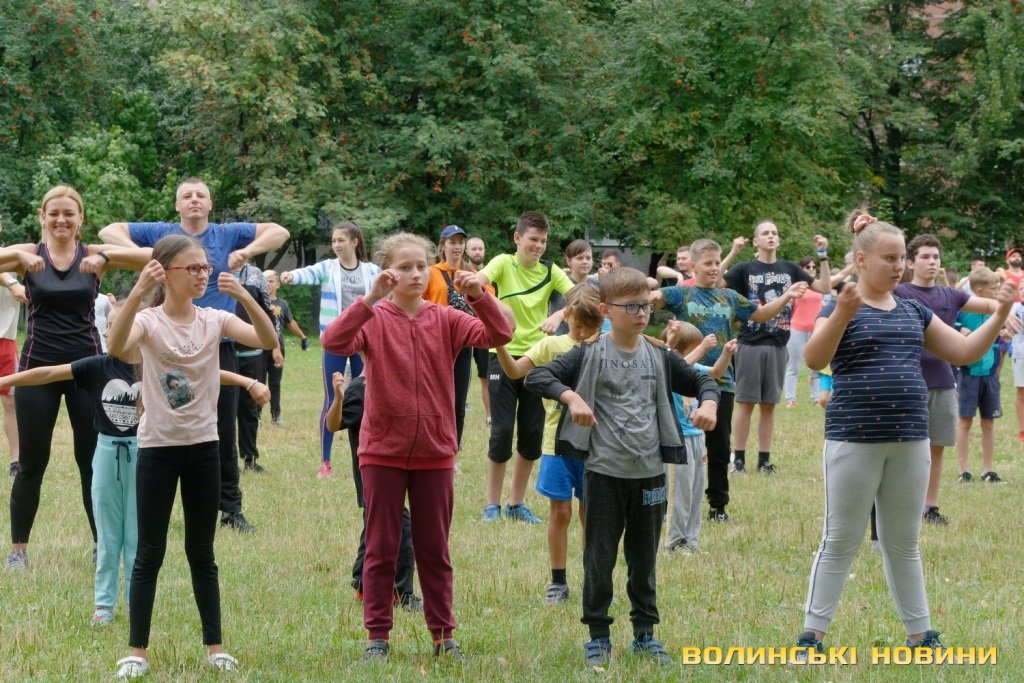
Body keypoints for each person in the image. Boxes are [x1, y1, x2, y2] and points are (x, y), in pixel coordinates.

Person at [791, 210, 1015, 661]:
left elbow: (964, 350)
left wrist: (1001, 313)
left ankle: (920, 634)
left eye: (901, 259)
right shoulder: (841, 307)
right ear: (861, 259)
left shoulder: (914, 310)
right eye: (889, 258)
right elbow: (814, 359)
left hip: (911, 439)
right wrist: (843, 312)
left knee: (903, 542)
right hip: (853, 438)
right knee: (841, 539)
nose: (898, 267)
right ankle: (811, 636)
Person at [321, 232, 513, 663]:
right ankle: (377, 637)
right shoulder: (374, 318)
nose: (414, 274)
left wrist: (479, 296)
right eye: (403, 267)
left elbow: (500, 332)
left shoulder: (446, 318)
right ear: (386, 271)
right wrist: (370, 298)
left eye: (420, 266)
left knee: (434, 551)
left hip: (435, 452)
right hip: (381, 452)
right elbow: (333, 341)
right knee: (381, 549)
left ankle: (444, 637)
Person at [525, 267, 721, 668]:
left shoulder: (660, 355)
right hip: (603, 474)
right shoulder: (589, 353)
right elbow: (537, 376)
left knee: (644, 559)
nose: (641, 313)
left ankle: (645, 634)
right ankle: (598, 636)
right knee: (599, 557)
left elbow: (705, 383)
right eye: (631, 306)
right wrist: (571, 398)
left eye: (646, 306)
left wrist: (709, 405)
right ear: (606, 310)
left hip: (649, 475)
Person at [106, 234, 277, 679]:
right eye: (193, 268)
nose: (203, 275)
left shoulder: (214, 319)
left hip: (204, 448)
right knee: (149, 553)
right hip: (157, 450)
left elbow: (265, 338)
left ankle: (215, 648)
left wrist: (244, 296)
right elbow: (117, 347)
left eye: (206, 268)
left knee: (202, 553)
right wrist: (138, 291)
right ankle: (137, 652)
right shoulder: (148, 321)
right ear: (166, 274)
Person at [99, 177, 289, 533]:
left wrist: (248, 252)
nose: (194, 200)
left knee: (221, 430)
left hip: (217, 343)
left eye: (201, 195)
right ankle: (159, 499)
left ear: (211, 203)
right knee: (170, 417)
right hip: (167, 344)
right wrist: (148, 257)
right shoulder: (162, 233)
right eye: (186, 195)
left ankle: (229, 508)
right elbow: (109, 231)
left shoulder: (226, 234)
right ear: (177, 205)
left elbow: (279, 231)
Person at [6, 185, 148, 571]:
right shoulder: (29, 254)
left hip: (89, 372)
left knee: (93, 462)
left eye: (69, 213)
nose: (61, 220)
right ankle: (18, 551)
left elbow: (155, 256)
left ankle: (102, 545)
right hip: (37, 371)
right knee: (32, 464)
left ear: (81, 218)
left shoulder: (93, 256)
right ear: (42, 216)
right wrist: (16, 258)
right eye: (53, 213)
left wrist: (107, 256)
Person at [652, 238, 807, 522]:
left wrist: (787, 296)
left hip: (720, 381)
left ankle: (717, 506)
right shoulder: (682, 294)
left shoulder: (730, 297)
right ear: (693, 266)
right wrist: (648, 290)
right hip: (682, 379)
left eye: (717, 262)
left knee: (719, 448)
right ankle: (659, 506)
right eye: (708, 263)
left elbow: (761, 314)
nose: (714, 268)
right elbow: (654, 298)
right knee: (671, 442)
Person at [494, 283, 603, 606]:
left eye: (590, 327)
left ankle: (594, 579)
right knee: (561, 512)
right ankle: (558, 581)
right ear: (566, 316)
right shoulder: (551, 345)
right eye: (578, 325)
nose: (582, 334)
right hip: (557, 445)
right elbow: (515, 371)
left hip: (596, 445)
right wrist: (500, 343)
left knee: (591, 514)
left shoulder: (607, 346)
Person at [472, 211, 575, 524]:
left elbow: (580, 296)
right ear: (517, 238)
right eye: (533, 239)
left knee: (531, 434)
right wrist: (499, 306)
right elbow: (476, 285)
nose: (538, 246)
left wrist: (559, 315)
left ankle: (516, 504)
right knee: (502, 431)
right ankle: (492, 504)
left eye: (543, 241)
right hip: (501, 355)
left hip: (538, 360)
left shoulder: (550, 271)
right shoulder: (503, 263)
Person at [894, 234, 998, 524]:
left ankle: (930, 507)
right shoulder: (899, 292)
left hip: (942, 380)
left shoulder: (950, 295)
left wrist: (1003, 309)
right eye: (925, 257)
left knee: (936, 447)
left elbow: (988, 306)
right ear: (910, 263)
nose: (932, 262)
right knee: (904, 447)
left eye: (936, 257)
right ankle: (902, 506)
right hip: (908, 380)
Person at [724, 220, 832, 475]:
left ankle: (764, 461)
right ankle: (739, 460)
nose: (771, 236)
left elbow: (824, 287)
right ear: (756, 241)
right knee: (746, 403)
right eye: (765, 233)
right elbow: (717, 281)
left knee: (769, 405)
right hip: (750, 342)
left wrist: (823, 255)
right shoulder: (745, 269)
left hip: (778, 344)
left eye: (774, 233)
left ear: (779, 240)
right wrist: (732, 252)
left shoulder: (789, 268)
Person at [280, 221, 380, 478]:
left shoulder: (371, 271)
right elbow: (309, 273)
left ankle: (365, 454)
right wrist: (291, 276)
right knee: (332, 399)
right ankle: (325, 461)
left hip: (364, 341)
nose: (336, 245)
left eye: (341, 240)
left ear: (355, 242)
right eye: (333, 241)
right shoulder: (328, 268)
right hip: (335, 340)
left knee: (365, 396)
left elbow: (385, 295)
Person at [324, 372, 422, 612]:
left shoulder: (394, 383)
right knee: (401, 526)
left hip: (391, 470)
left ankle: (362, 585)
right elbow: (333, 424)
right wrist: (339, 398)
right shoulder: (360, 389)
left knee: (374, 526)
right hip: (371, 474)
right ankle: (400, 593)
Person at [661, 322, 736, 555]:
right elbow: (677, 366)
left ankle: (690, 541)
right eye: (694, 347)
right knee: (680, 494)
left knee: (695, 493)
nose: (699, 351)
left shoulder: (694, 369)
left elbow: (716, 373)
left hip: (696, 438)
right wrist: (702, 347)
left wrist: (726, 354)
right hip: (678, 440)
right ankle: (674, 542)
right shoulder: (669, 368)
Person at [423, 224, 477, 449]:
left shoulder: (472, 274)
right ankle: (432, 444)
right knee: (433, 397)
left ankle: (453, 450)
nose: (457, 247)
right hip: (436, 342)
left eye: (460, 242)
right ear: (442, 246)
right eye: (452, 242)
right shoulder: (430, 273)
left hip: (463, 342)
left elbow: (488, 300)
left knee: (458, 400)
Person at [955, 268, 1007, 484]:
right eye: (994, 288)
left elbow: (1002, 336)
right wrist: (960, 330)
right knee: (965, 422)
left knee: (989, 422)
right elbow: (948, 323)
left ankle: (988, 470)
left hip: (990, 374)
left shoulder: (998, 310)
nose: (998, 291)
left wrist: (1004, 334)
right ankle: (964, 471)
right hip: (968, 374)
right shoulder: (963, 309)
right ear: (979, 291)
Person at [234, 263, 280, 474]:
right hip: (221, 351)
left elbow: (267, 312)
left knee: (249, 409)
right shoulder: (212, 269)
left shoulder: (254, 274)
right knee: (223, 410)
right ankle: (225, 461)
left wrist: (275, 346)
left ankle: (250, 459)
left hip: (251, 352)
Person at [262, 269, 308, 426]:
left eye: (271, 281)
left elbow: (291, 323)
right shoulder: (256, 302)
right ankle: (256, 417)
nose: (267, 284)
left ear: (278, 284)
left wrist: (302, 337)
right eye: (265, 281)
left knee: (275, 384)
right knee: (258, 382)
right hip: (259, 348)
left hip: (278, 350)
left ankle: (276, 417)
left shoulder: (282, 304)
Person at [783, 257, 824, 408]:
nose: (811, 269)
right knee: (794, 365)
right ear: (802, 269)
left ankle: (816, 399)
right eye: (808, 267)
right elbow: (787, 305)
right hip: (797, 329)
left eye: (813, 266)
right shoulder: (796, 286)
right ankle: (790, 399)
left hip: (816, 330)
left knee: (815, 366)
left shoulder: (819, 286)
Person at [465, 236, 492, 425]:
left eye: (480, 248)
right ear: (467, 251)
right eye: (473, 249)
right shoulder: (462, 274)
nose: (477, 252)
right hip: (465, 329)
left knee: (486, 376)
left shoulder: (491, 275)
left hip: (484, 329)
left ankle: (490, 416)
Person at [0, 262, 22, 478]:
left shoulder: (13, 255)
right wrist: (12, 283)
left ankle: (16, 460)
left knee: (10, 402)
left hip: (5, 338)